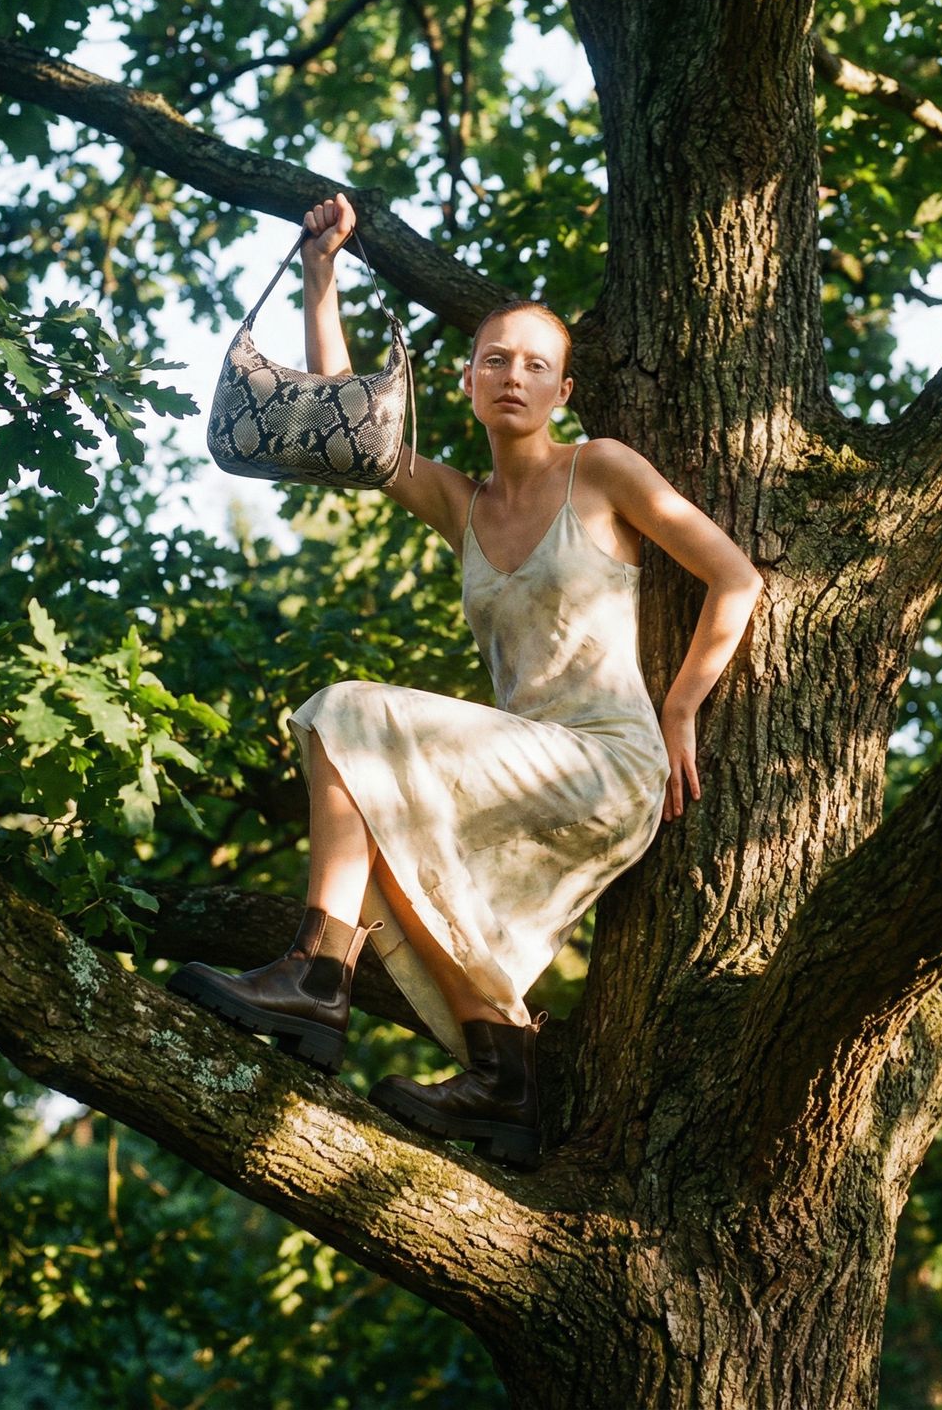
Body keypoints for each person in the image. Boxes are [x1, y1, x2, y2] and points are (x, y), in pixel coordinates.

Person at [171, 193, 763, 1166]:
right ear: (467, 380)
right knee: (384, 841)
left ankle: (316, 975)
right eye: (494, 360)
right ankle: (503, 1073)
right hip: (518, 758)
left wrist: (680, 709)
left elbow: (735, 578)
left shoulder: (600, 468)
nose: (512, 376)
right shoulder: (461, 502)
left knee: (341, 713)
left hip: (607, 762)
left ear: (562, 390)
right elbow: (346, 419)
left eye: (534, 364)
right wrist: (320, 277)